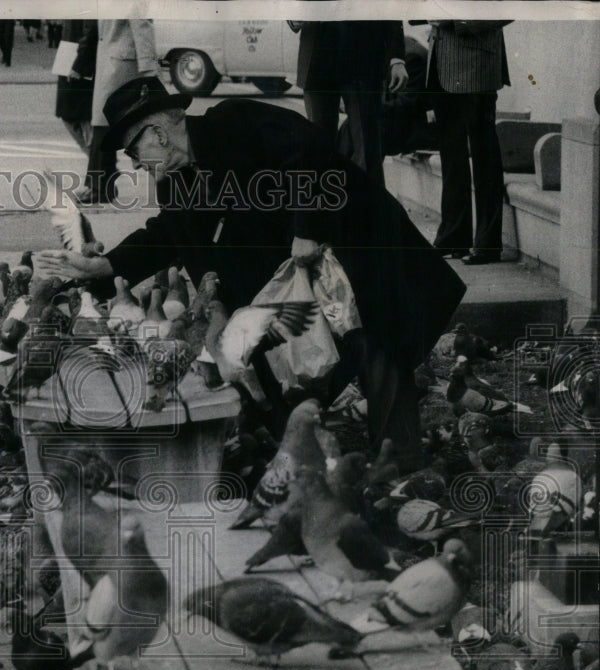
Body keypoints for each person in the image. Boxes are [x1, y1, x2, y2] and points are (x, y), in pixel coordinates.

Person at [36, 76, 467, 470]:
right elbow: (169, 233)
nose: (134, 163)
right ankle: (301, 465)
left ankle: (402, 465)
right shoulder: (175, 180)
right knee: (268, 359)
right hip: (293, 282)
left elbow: (310, 150)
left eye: (132, 152)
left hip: (355, 244)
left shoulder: (235, 120)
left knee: (377, 342)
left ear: (159, 133)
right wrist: (106, 265)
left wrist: (306, 229)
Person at [426, 20, 511, 265]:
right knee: (451, 154)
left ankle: (488, 243)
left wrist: (456, 22)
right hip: (441, 59)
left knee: (483, 153)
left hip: (477, 63)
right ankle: (453, 236)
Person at [291, 21, 408, 186]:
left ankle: (369, 210)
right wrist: (294, 15)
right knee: (319, 150)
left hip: (363, 56)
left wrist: (396, 58)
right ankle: (323, 208)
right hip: (318, 58)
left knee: (367, 152)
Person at [78, 19, 158, 204]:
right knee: (105, 127)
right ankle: (100, 185)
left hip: (123, 65)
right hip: (112, 61)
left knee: (109, 127)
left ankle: (101, 186)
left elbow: (142, 24)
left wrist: (148, 68)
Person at [55, 20, 97, 155]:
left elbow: (89, 32)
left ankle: (97, 162)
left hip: (77, 58)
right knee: (73, 115)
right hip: (69, 54)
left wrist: (79, 66)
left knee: (80, 115)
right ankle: (96, 161)